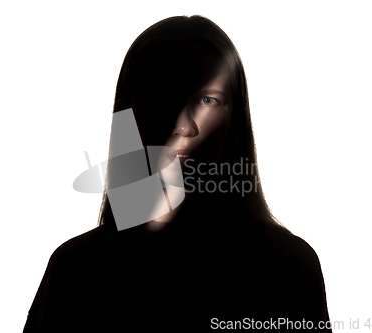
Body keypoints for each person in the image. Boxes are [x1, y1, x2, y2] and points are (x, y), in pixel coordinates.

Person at [23, 15, 332, 332]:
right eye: (163, 96)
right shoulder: (75, 271)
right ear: (127, 110)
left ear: (235, 119)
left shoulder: (288, 270)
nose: (183, 125)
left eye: (207, 100)